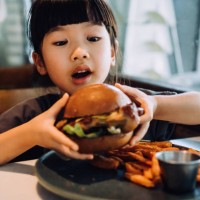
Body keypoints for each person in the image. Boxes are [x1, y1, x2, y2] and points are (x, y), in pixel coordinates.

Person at [0, 0, 199, 165]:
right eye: (61, 42)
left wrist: (156, 105)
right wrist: (30, 135)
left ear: (112, 53)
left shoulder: (134, 105)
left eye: (93, 38)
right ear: (40, 62)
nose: (79, 53)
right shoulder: (34, 115)